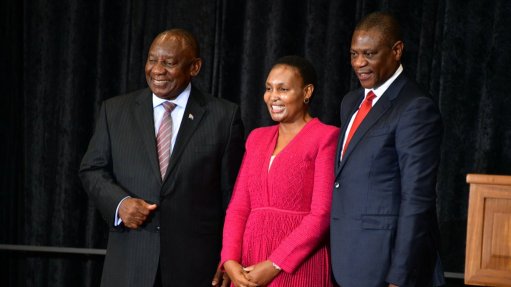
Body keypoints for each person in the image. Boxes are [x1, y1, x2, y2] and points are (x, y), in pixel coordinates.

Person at [79, 28, 244, 287]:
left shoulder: (224, 117)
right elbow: (91, 168)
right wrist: (120, 204)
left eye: (169, 63)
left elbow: (233, 196)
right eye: (152, 60)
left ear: (195, 67)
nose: (157, 70)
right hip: (130, 263)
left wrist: (229, 256)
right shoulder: (115, 110)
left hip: (195, 268)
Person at [330, 11, 445, 287]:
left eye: (369, 54)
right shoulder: (350, 102)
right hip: (345, 259)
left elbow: (417, 199)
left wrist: (400, 277)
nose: (359, 63)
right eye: (354, 54)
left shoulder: (415, 107)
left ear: (396, 51)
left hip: (385, 266)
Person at [219, 55, 339, 287]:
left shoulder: (326, 137)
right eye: (268, 88)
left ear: (307, 92)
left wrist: (275, 263)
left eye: (283, 89)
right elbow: (238, 207)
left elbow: (322, 215)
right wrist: (230, 260)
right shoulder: (256, 138)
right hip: (249, 264)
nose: (273, 97)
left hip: (298, 264)